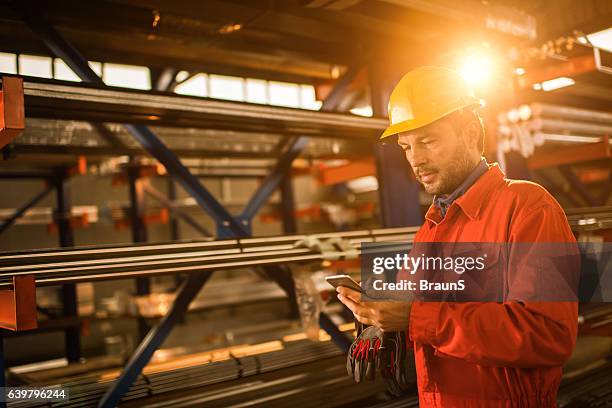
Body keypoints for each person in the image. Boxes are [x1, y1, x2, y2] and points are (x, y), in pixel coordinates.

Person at [337, 66, 579, 407]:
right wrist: (381, 320)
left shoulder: (528, 206)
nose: (415, 160)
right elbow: (423, 320)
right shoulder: (432, 226)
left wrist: (414, 318)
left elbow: (547, 334)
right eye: (406, 147)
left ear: (469, 133)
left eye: (428, 141)